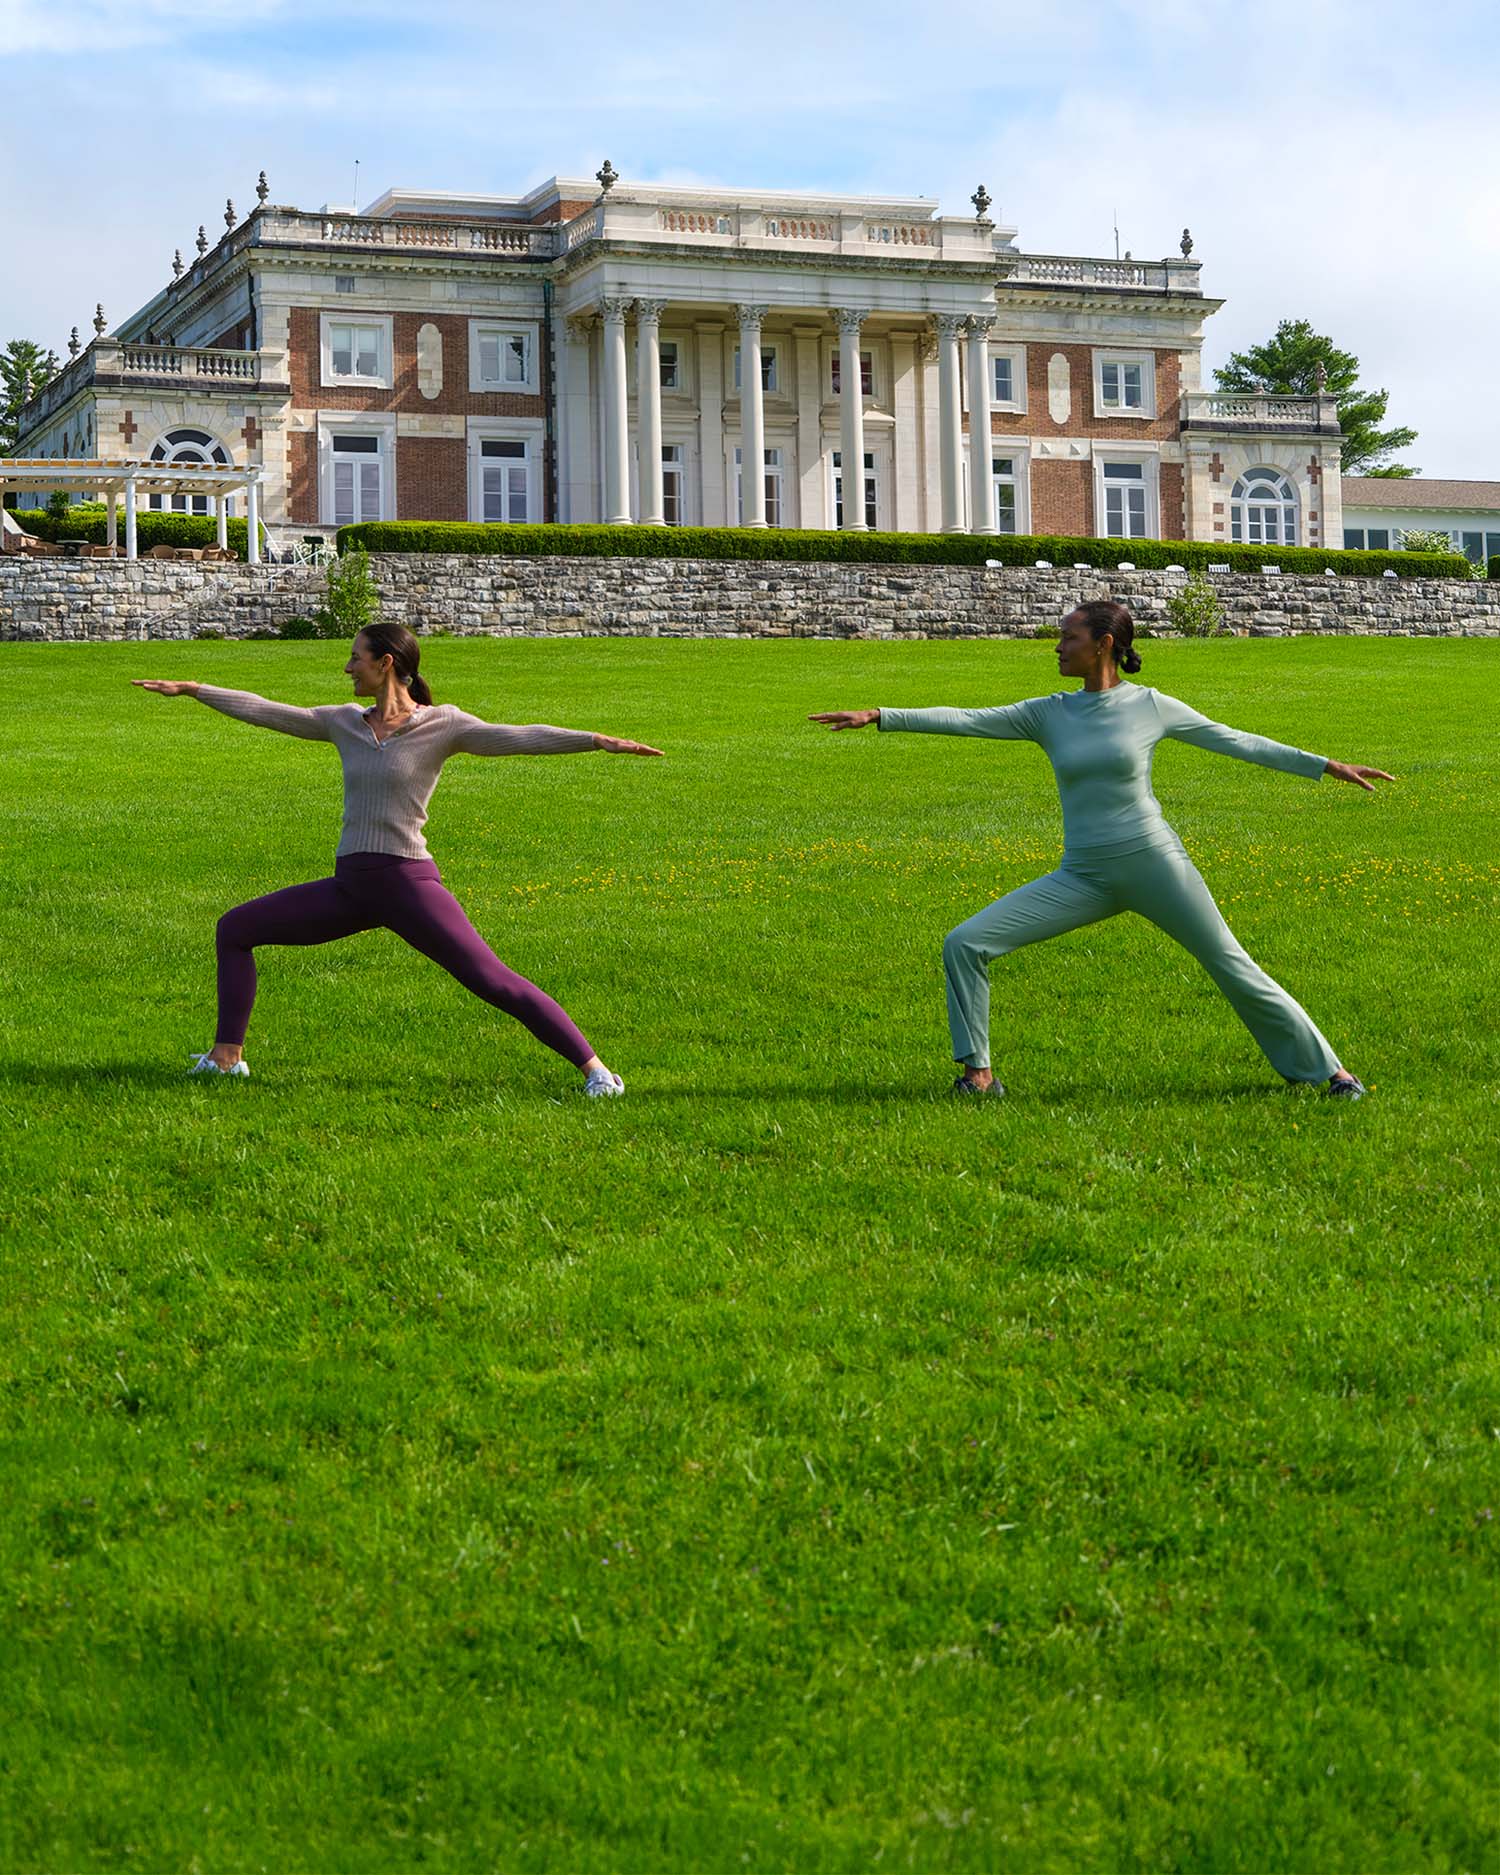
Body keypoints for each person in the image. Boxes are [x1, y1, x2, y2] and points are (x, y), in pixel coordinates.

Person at [811, 600, 1390, 1100]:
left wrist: (1324, 765)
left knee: (1230, 964)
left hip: (1155, 864)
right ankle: (978, 1077)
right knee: (966, 943)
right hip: (1083, 875)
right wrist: (882, 715)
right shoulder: (1048, 713)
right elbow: (967, 719)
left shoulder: (1151, 705)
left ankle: (1331, 1073)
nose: (1057, 647)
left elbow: (1233, 740)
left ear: (1103, 644)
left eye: (1069, 637)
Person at [134, 622, 662, 1096]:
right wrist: (196, 691)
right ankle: (226, 1060)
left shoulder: (444, 725)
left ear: (386, 663)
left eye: (356, 658)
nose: (347, 668)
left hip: (408, 886)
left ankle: (598, 1073)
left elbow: (518, 737)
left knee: (493, 981)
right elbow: (270, 711)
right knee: (236, 929)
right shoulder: (344, 722)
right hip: (351, 889)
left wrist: (597, 741)